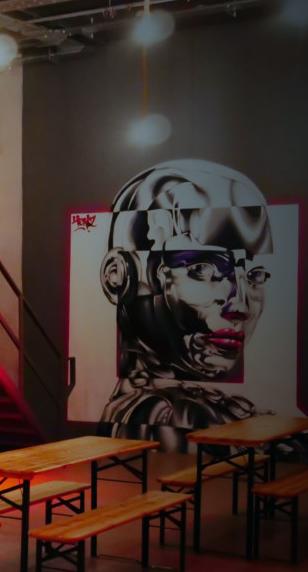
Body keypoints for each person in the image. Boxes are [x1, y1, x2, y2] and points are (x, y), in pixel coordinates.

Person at [97, 158, 287, 451]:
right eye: (202, 269)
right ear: (119, 276)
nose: (240, 306)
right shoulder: (165, 415)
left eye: (254, 275)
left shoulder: (217, 408)